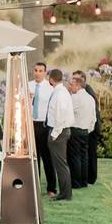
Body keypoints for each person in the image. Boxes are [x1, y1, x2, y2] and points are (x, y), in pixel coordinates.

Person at [45, 69, 75, 202]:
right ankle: (65, 192)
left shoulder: (60, 94)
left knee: (61, 164)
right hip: (60, 130)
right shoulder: (59, 92)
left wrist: (55, 133)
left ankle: (65, 194)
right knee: (60, 163)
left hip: (59, 131)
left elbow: (60, 116)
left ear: (51, 79)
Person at [29, 62, 55, 197]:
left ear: (45, 73)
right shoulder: (28, 85)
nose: (37, 73)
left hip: (44, 125)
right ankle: (35, 187)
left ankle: (51, 188)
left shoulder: (50, 89)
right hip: (31, 124)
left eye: (40, 71)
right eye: (36, 70)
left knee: (47, 157)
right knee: (34, 157)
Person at [67, 73, 96, 190]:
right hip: (85, 131)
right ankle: (84, 181)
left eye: (72, 85)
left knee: (75, 158)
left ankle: (76, 182)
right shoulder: (90, 98)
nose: (70, 87)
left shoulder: (75, 98)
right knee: (84, 157)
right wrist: (88, 129)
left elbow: (67, 112)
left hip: (75, 130)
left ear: (78, 86)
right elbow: (93, 118)